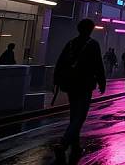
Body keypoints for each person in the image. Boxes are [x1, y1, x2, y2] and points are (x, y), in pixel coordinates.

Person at [53, 19, 106, 162]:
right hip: (85, 84)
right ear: (91, 29)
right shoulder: (93, 44)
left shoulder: (70, 43)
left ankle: (75, 145)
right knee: (80, 116)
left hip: (71, 84)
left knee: (74, 114)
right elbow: (98, 65)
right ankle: (63, 143)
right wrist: (102, 82)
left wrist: (56, 80)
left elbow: (60, 62)